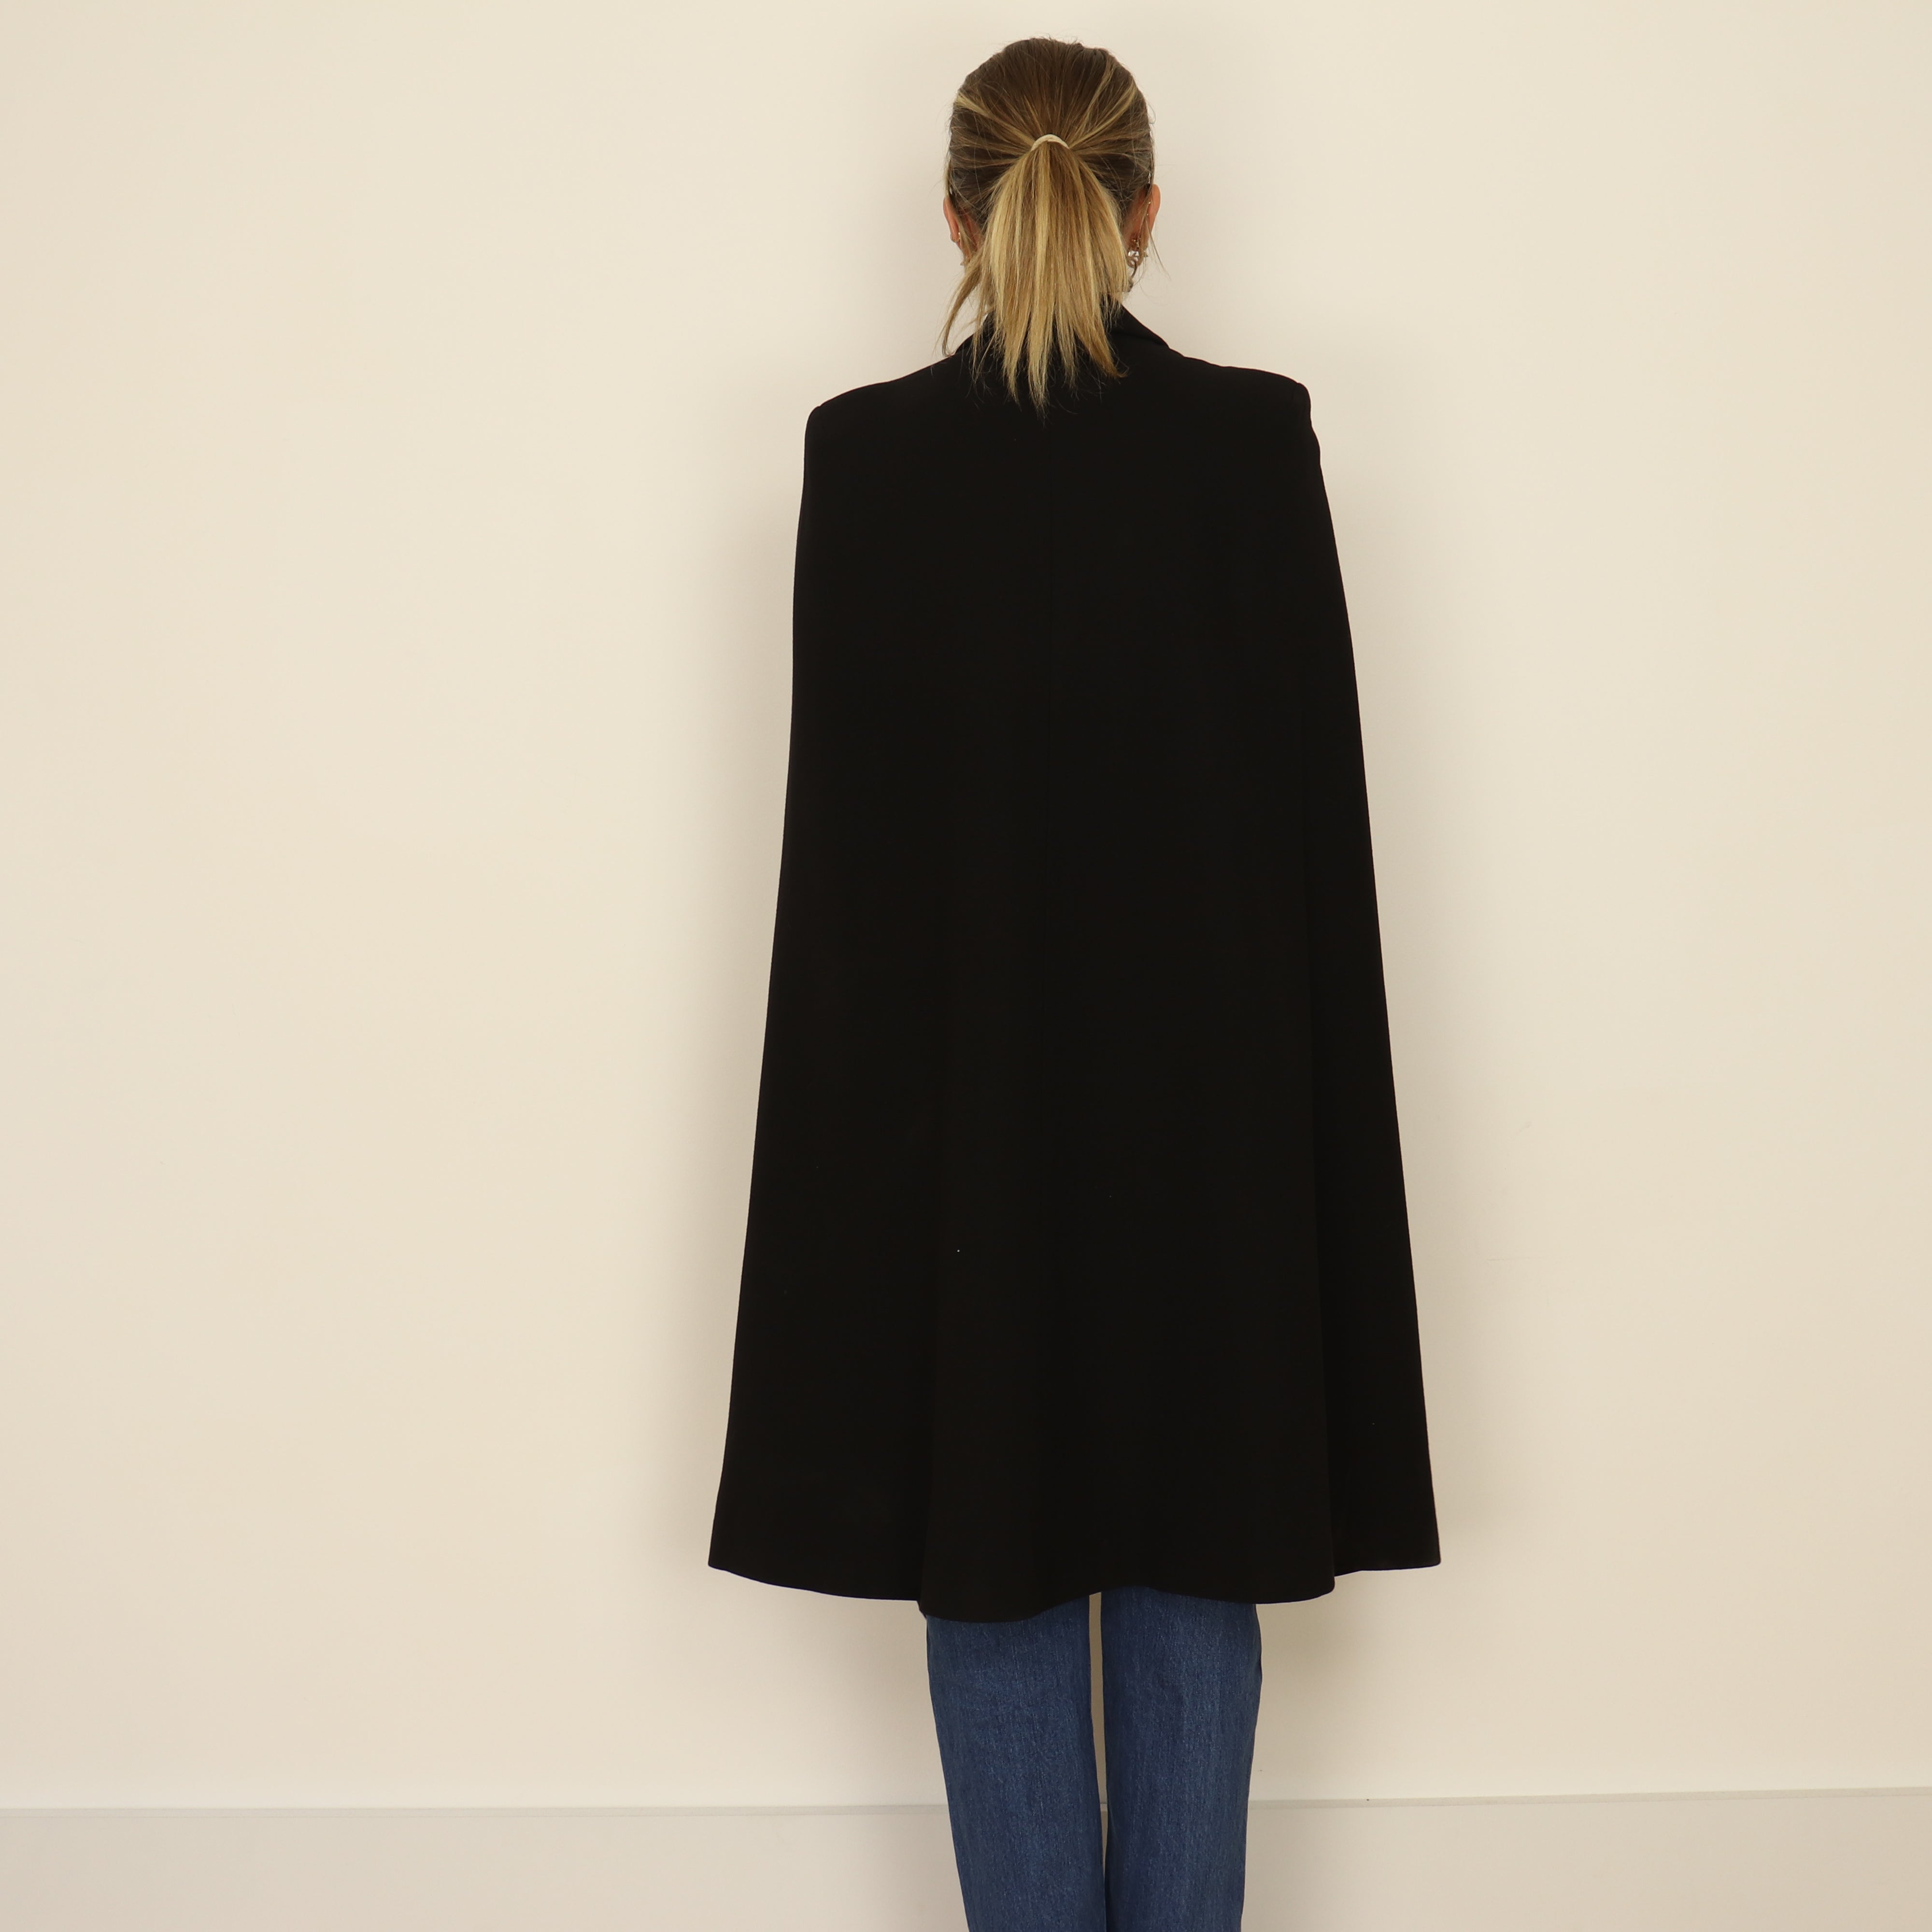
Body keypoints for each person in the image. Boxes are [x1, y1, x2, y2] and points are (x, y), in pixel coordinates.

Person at [709, 35, 1441, 1932]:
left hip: (968, 1149)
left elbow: (852, 887)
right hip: (1213, 1140)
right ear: (1146, 212)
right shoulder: (1252, 446)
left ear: (953, 217)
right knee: (1197, 1550)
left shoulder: (865, 464)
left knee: (997, 1557)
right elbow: (1313, 846)